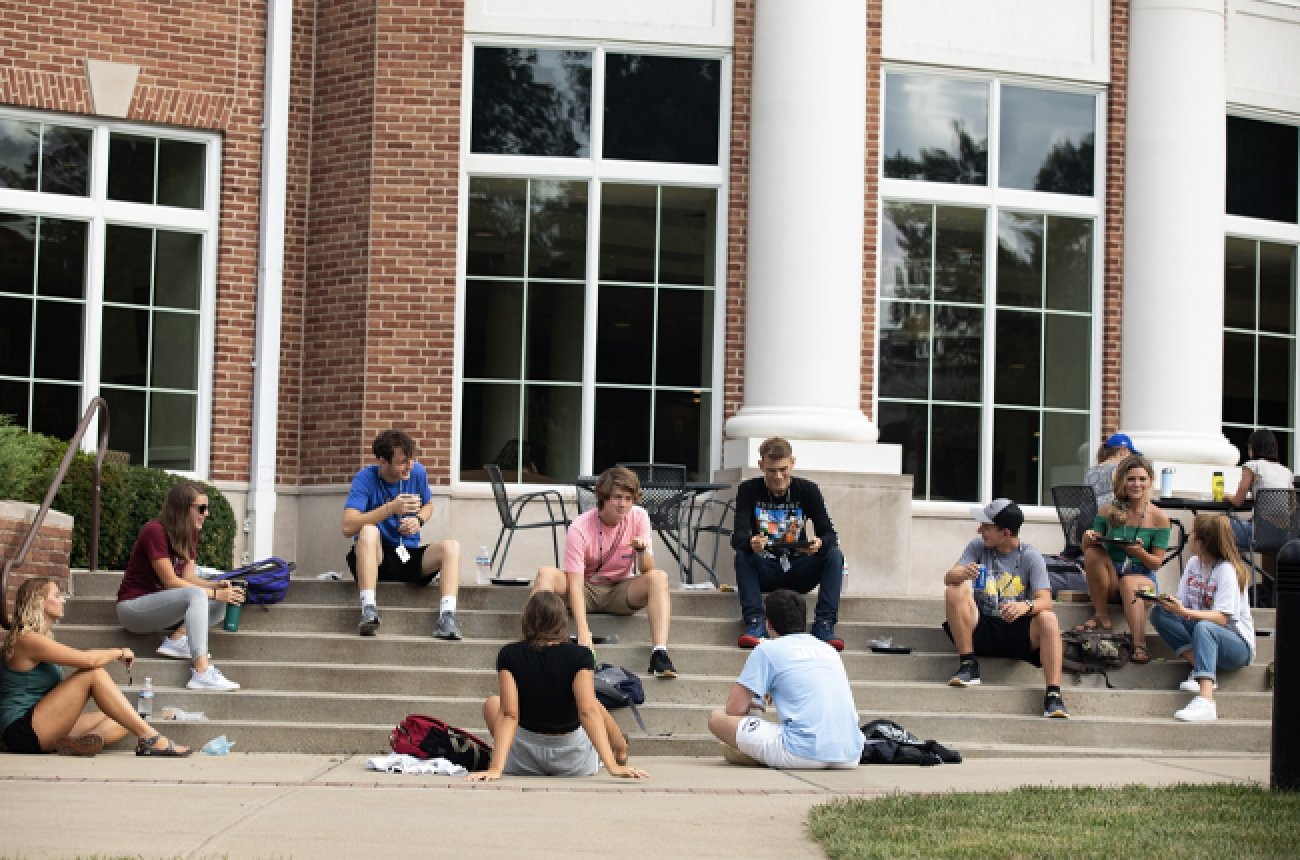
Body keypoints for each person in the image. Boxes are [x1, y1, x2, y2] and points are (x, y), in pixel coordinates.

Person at [466, 591, 647, 781]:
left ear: (526, 620)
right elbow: (587, 712)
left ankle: (504, 758)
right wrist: (612, 767)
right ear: (562, 622)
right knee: (592, 703)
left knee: (493, 703)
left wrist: (495, 768)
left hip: (523, 762)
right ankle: (620, 749)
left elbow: (509, 714)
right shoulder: (581, 656)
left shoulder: (509, 654)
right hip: (574, 762)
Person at [4, 577, 190, 756]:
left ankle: (84, 743)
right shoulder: (27, 640)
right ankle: (152, 739)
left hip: (39, 722)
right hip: (22, 731)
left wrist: (113, 652)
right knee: (93, 674)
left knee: (124, 717)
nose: (63, 600)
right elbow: (89, 661)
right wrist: (118, 652)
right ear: (39, 602)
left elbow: (88, 655)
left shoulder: (37, 639)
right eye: (57, 595)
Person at [532, 466, 677, 679]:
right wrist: (583, 632)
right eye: (617, 497)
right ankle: (536, 645)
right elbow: (574, 581)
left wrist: (642, 550)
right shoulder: (580, 527)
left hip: (620, 589)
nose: (623, 504)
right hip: (585, 587)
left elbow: (647, 569)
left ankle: (659, 653)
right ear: (603, 498)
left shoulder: (639, 517)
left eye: (629, 498)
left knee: (659, 577)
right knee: (546, 573)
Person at [942, 499, 1069, 719]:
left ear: (1006, 533)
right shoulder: (977, 546)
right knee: (954, 590)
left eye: (987, 527)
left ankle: (1053, 695)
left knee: (1048, 618)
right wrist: (964, 574)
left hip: (1017, 629)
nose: (980, 530)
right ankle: (968, 664)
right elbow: (949, 577)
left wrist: (1025, 606)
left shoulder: (1030, 555)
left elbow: (1046, 600)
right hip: (983, 626)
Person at [708, 589, 862, 769]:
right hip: (850, 755)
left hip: (800, 753)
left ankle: (756, 753)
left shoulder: (767, 650)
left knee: (716, 718)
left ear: (768, 624)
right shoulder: (829, 650)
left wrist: (755, 702)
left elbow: (734, 710)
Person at [116, 481, 242, 691]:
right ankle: (201, 671)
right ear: (184, 508)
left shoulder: (190, 533)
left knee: (221, 595)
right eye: (201, 508)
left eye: (207, 508)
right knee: (201, 596)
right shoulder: (154, 532)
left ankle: (177, 638)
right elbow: (171, 582)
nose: (207, 513)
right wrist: (212, 593)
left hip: (163, 607)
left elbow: (189, 578)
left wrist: (217, 585)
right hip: (133, 609)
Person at [342, 429, 462, 639]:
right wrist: (389, 509)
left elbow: (428, 505)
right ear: (383, 461)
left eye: (411, 460)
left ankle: (447, 618)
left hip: (407, 554)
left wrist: (419, 520)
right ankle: (369, 609)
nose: (410, 466)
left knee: (451, 547)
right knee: (368, 531)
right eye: (403, 462)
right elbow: (347, 526)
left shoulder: (417, 473)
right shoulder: (364, 478)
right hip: (375, 557)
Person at [729, 437, 846, 651]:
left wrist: (819, 544)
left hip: (798, 568)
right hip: (766, 568)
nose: (778, 476)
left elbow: (830, 534)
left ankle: (824, 624)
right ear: (761, 465)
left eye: (783, 469)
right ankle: (756, 623)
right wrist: (751, 542)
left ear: (792, 462)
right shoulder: (749, 490)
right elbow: (737, 538)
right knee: (743, 556)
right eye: (772, 470)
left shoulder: (807, 490)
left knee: (834, 555)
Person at [1148, 514, 1256, 722]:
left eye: (1192, 534)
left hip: (1236, 646)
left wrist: (1184, 612)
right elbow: (1184, 603)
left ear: (1203, 542)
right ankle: (1200, 667)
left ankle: (1206, 699)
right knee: (1160, 614)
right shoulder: (1194, 563)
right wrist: (1167, 603)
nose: (1188, 537)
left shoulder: (1226, 570)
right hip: (1201, 630)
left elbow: (1222, 618)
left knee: (1205, 627)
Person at [1077, 454, 1172, 664]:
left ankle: (1139, 644)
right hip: (1111, 577)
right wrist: (1087, 538)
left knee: (1129, 582)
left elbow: (1156, 563)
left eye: (1141, 479)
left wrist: (1138, 552)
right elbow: (1089, 549)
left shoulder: (1159, 518)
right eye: (1131, 479)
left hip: (1143, 577)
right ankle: (1102, 616)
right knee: (1093, 552)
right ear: (1122, 482)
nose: (1136, 484)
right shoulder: (1108, 510)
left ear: (1150, 481)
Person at [1226, 428, 1294, 554]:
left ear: (1252, 449)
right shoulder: (1287, 472)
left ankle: (1228, 572)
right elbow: (1291, 505)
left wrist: (1225, 495)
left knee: (1219, 526)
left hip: (1258, 536)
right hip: (1284, 537)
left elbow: (1238, 501)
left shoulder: (1252, 466)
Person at [1083, 433, 1141, 508]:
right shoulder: (1119, 469)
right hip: (1108, 516)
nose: (1131, 458)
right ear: (1122, 451)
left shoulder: (1090, 471)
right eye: (1131, 454)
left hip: (1088, 516)